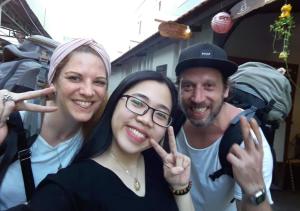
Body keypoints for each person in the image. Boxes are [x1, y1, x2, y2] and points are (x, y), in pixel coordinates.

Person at [7, 70, 195, 211]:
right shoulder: (71, 185)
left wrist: (180, 187)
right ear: (114, 103)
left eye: (161, 114)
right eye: (137, 103)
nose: (145, 119)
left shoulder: (160, 168)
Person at [0, 38, 111, 210]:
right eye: (74, 78)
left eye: (99, 82)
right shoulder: (13, 124)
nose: (88, 92)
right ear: (53, 81)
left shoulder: (98, 138)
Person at [174, 43, 273, 211]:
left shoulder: (247, 141)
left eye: (209, 86)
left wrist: (255, 189)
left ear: (226, 90)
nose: (198, 98)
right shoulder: (172, 122)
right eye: (188, 86)